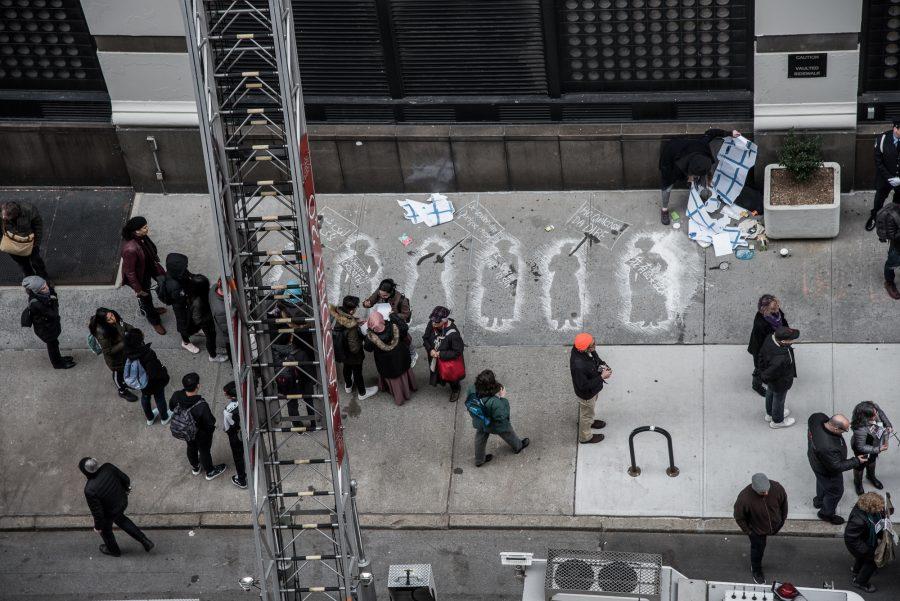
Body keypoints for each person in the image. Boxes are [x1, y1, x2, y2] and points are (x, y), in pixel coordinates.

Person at [658, 128, 741, 225]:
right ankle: (664, 210)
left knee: (701, 181)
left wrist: (730, 133)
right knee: (667, 187)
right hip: (672, 155)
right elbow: (666, 179)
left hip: (691, 156)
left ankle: (700, 199)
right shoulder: (671, 166)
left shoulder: (702, 147)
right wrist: (688, 178)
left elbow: (711, 133)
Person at [79, 457, 153, 557]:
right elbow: (125, 479)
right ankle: (145, 541)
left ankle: (114, 551)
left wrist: (98, 527)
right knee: (121, 519)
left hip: (110, 512)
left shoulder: (89, 489)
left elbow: (98, 513)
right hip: (122, 502)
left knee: (106, 531)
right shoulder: (108, 467)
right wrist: (126, 488)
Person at [161, 253, 227, 361]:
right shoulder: (175, 286)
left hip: (189, 304)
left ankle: (194, 332)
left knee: (190, 322)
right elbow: (183, 301)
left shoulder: (180, 273)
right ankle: (186, 342)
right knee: (183, 324)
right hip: (181, 306)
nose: (186, 268)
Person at [807, 412, 868, 525]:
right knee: (835, 491)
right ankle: (826, 513)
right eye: (844, 430)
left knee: (821, 480)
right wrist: (856, 460)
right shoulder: (828, 446)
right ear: (835, 428)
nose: (845, 432)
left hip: (815, 461)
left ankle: (819, 500)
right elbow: (836, 466)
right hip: (827, 469)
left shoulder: (816, 418)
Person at [732, 473, 788, 584]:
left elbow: (783, 504)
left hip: (775, 526)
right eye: (763, 492)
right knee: (757, 551)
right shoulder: (744, 498)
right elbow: (739, 517)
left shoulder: (777, 487)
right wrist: (749, 532)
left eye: (767, 490)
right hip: (757, 531)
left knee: (759, 549)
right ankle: (756, 570)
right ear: (754, 489)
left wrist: (782, 520)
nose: (766, 493)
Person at [170, 372, 226, 480]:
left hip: (186, 431)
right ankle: (210, 471)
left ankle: (195, 467)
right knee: (204, 451)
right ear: (198, 386)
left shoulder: (176, 395)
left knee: (191, 447)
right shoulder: (201, 405)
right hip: (201, 434)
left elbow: (172, 407)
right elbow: (210, 422)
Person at [468, 369, 529, 467]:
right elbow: (502, 416)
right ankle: (518, 446)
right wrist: (503, 398)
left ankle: (479, 460)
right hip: (494, 425)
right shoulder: (494, 402)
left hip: (480, 420)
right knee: (508, 432)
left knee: (480, 438)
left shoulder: (471, 389)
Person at [120, 216, 167, 335]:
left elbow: (149, 249)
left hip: (149, 266)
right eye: (144, 227)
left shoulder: (141, 236)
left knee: (163, 282)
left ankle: (146, 309)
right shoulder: (130, 249)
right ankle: (154, 320)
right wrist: (138, 289)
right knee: (146, 298)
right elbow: (130, 272)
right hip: (140, 276)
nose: (147, 229)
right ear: (136, 230)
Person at [363, 311, 417, 406]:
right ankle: (411, 388)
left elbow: (368, 348)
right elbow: (404, 328)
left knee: (393, 379)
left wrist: (368, 332)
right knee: (403, 371)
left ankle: (398, 397)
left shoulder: (371, 337)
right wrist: (393, 315)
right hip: (401, 358)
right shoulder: (393, 326)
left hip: (386, 365)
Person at [329, 296, 377, 401]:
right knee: (357, 372)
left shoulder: (338, 314)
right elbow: (354, 348)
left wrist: (355, 320)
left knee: (346, 368)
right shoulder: (352, 328)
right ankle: (362, 392)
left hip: (342, 351)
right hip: (353, 354)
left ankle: (348, 386)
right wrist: (361, 333)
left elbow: (345, 321)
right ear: (351, 311)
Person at [21, 275, 74, 369]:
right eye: (43, 288)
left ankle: (59, 358)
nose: (47, 288)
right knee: (52, 346)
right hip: (46, 330)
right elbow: (53, 314)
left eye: (46, 285)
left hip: (49, 327)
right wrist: (54, 300)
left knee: (55, 344)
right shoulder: (36, 303)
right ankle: (57, 364)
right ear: (37, 291)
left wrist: (52, 295)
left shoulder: (41, 295)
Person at [362, 278, 417, 367]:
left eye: (385, 296)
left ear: (391, 292)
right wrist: (366, 304)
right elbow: (370, 301)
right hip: (385, 320)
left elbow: (406, 315)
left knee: (404, 337)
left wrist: (393, 315)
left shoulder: (402, 300)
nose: (381, 297)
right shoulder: (380, 292)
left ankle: (413, 353)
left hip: (396, 320)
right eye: (380, 294)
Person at [123, 329, 171, 426]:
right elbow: (154, 373)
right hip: (153, 382)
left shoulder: (128, 353)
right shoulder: (147, 353)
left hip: (142, 383)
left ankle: (150, 418)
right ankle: (164, 418)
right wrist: (163, 371)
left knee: (145, 397)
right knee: (159, 398)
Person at [89, 308, 138, 401]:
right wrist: (124, 342)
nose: (113, 319)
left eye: (112, 315)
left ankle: (125, 382)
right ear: (104, 322)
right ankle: (122, 391)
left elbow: (125, 325)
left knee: (125, 370)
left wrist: (134, 331)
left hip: (124, 354)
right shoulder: (102, 333)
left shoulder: (115, 319)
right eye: (109, 319)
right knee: (118, 374)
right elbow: (108, 351)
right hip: (115, 359)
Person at [569, 332, 610, 445]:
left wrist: (601, 364)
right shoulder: (578, 365)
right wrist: (602, 377)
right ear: (584, 349)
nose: (595, 345)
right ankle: (585, 437)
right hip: (587, 395)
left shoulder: (579, 349)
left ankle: (589, 422)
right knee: (587, 414)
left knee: (587, 413)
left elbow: (592, 358)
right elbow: (584, 386)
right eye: (592, 345)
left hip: (592, 391)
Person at [844, 492, 888, 593]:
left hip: (864, 540)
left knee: (863, 558)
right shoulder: (858, 520)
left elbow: (879, 514)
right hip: (858, 545)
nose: (881, 509)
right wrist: (867, 551)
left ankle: (856, 571)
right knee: (872, 560)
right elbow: (851, 539)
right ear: (871, 508)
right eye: (878, 508)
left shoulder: (865, 509)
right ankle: (860, 582)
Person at [746, 294, 789, 398]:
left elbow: (783, 322)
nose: (777, 308)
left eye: (777, 305)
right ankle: (756, 385)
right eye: (774, 308)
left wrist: (787, 332)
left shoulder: (777, 313)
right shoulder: (760, 324)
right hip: (762, 350)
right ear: (765, 310)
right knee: (759, 369)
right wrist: (758, 361)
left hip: (774, 346)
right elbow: (757, 346)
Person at [757, 326, 798, 429]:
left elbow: (761, 355)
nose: (793, 340)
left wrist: (764, 375)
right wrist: (766, 376)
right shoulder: (782, 358)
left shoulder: (770, 338)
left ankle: (770, 414)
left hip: (772, 379)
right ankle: (778, 421)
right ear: (784, 342)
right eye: (791, 339)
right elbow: (772, 371)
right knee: (779, 400)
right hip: (781, 381)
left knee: (770, 393)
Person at [422, 306, 466, 403]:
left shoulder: (453, 334)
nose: (433, 324)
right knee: (439, 374)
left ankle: (456, 389)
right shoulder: (432, 323)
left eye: (436, 322)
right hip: (435, 358)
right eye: (432, 321)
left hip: (448, 363)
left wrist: (440, 354)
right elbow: (425, 338)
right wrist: (430, 350)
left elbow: (457, 351)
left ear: (444, 321)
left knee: (452, 378)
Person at [850, 401, 893, 495]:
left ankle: (870, 476)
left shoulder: (873, 408)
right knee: (861, 464)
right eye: (873, 415)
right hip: (863, 445)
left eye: (875, 412)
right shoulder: (859, 428)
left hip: (874, 442)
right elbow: (861, 447)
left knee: (872, 460)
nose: (876, 416)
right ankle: (858, 483)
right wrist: (878, 449)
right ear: (865, 417)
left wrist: (888, 425)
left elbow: (881, 414)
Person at [865, 120, 900, 232]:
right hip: (885, 177)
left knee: (898, 201)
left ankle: (895, 219)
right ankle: (875, 217)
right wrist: (889, 178)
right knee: (879, 199)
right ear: (895, 128)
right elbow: (878, 161)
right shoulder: (882, 139)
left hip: (899, 179)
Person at [1, 200, 48, 279]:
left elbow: (38, 227)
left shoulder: (29, 210)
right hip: (11, 242)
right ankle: (30, 281)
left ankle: (44, 278)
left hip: (29, 242)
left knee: (36, 261)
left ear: (16, 215)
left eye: (7, 217)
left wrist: (36, 244)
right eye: (3, 215)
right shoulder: (2, 213)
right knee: (23, 264)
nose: (3, 217)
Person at [222, 381, 247, 489]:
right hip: (248, 429)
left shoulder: (228, 410)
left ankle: (241, 479)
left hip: (236, 434)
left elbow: (228, 425)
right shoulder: (248, 399)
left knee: (238, 457)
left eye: (225, 393)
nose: (224, 394)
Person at [209, 277, 232, 361]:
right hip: (226, 337)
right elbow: (227, 329)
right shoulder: (222, 310)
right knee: (230, 350)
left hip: (216, 325)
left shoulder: (214, 288)